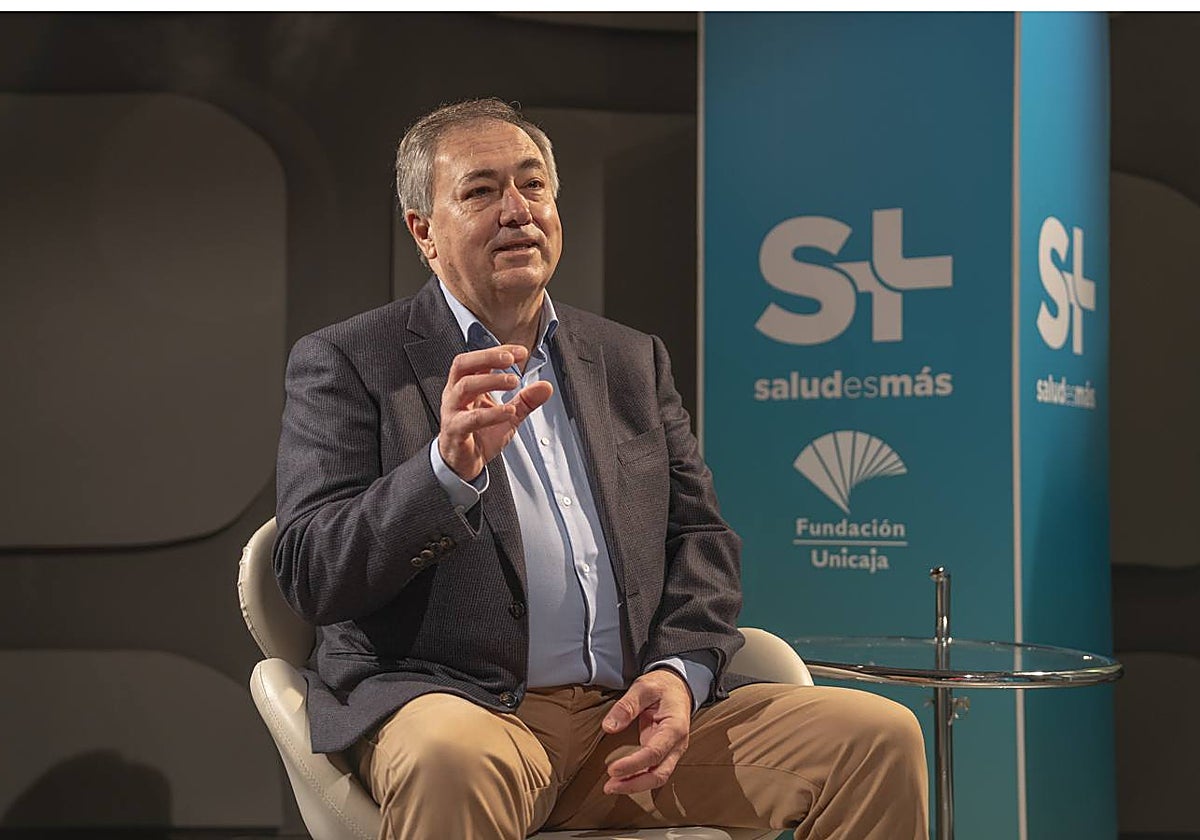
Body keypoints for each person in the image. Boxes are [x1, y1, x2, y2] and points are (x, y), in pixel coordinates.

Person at [273, 98, 928, 840]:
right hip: (465, 710)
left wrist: (679, 673)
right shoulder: (351, 360)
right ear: (424, 230)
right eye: (481, 191)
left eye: (534, 186)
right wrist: (442, 473)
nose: (518, 211)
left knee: (875, 738)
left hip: (628, 718)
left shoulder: (628, 359)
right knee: (450, 758)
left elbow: (701, 540)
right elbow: (309, 573)